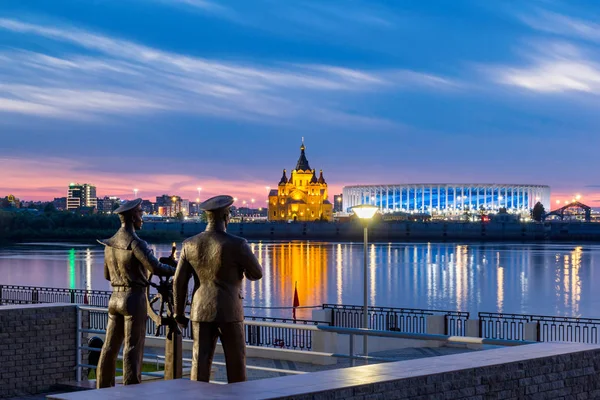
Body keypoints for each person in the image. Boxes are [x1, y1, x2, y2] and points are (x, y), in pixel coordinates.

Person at [173, 195, 263, 383]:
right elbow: (257, 273)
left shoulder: (189, 244)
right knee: (236, 359)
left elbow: (179, 281)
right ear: (226, 215)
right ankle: (238, 397)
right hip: (229, 310)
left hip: (199, 310)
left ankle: (198, 396)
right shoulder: (237, 244)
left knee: (200, 359)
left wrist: (179, 313)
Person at [96, 198, 175, 388]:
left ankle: (102, 388)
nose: (142, 217)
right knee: (133, 347)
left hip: (114, 299)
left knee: (109, 346)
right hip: (133, 299)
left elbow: (107, 275)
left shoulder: (109, 245)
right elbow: (156, 268)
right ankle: (131, 392)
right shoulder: (136, 244)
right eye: (140, 213)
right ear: (132, 217)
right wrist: (178, 269)